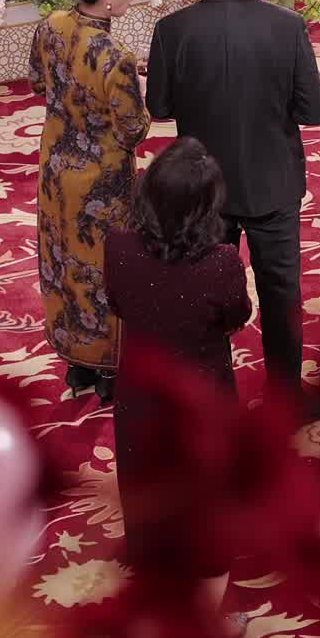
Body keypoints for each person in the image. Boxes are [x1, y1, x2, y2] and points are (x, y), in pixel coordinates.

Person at [145, 0, 320, 395]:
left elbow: (159, 107)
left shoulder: (172, 30)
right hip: (273, 182)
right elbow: (314, 111)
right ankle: (286, 398)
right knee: (281, 292)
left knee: (204, 293)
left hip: (203, 188)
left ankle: (216, 399)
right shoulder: (288, 27)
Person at [105, 138, 251, 603]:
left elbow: (117, 304)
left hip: (140, 398)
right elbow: (237, 316)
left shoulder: (118, 246)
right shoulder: (222, 263)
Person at [28, 0, 150, 404]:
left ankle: (76, 365)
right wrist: (140, 91)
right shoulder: (114, 56)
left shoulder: (51, 26)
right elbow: (133, 130)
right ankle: (108, 370)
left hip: (56, 169)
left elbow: (38, 82)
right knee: (103, 268)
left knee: (62, 259)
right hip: (102, 183)